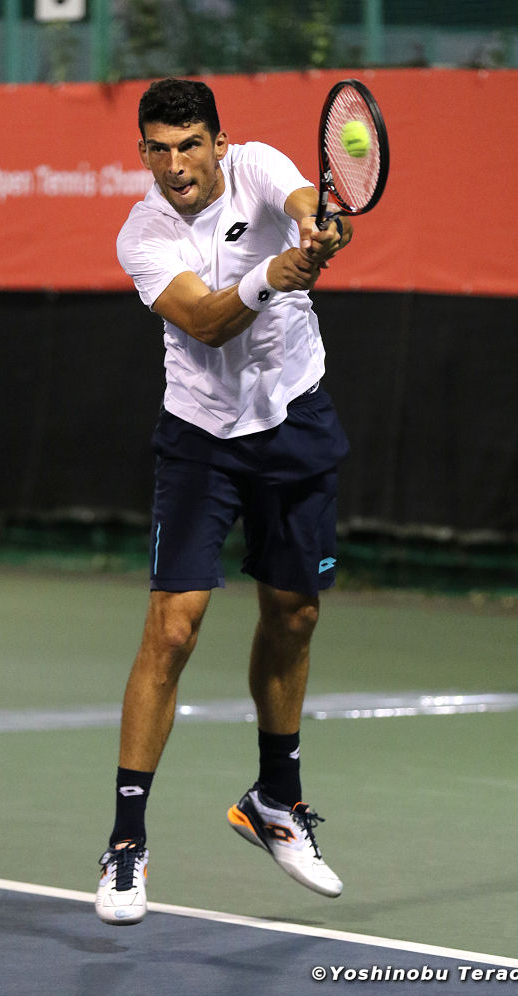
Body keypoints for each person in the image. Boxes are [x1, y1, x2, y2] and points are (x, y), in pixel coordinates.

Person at [95, 77, 353, 926]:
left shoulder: (258, 167)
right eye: (158, 149)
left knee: (295, 615)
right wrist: (271, 275)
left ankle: (275, 799)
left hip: (293, 416)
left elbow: (305, 199)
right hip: (200, 437)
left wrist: (318, 225)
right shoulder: (142, 234)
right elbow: (204, 322)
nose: (175, 165)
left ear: (218, 143)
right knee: (173, 628)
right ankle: (126, 843)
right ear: (143, 153)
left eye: (189, 146)